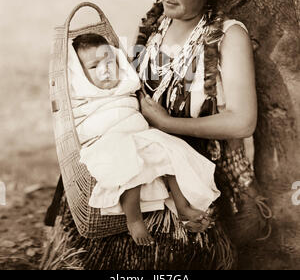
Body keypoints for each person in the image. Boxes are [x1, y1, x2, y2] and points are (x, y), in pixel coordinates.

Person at [44, 0, 257, 270]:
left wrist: (168, 123)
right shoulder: (157, 24)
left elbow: (242, 121)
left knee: (152, 257)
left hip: (186, 162)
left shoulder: (228, 36)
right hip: (136, 146)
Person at [68, 32, 220, 246]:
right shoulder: (82, 95)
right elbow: (80, 124)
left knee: (172, 150)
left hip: (140, 135)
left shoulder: (126, 84)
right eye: (93, 67)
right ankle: (134, 219)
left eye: (110, 61)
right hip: (108, 143)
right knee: (129, 163)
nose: (105, 70)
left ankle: (183, 206)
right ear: (80, 74)